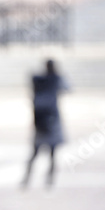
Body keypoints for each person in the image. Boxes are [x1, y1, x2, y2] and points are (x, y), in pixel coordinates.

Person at [21, 59, 68, 187]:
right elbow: (68, 87)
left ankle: (26, 179)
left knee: (35, 153)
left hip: (40, 120)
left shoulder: (38, 80)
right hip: (52, 120)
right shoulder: (56, 79)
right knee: (52, 154)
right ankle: (50, 180)